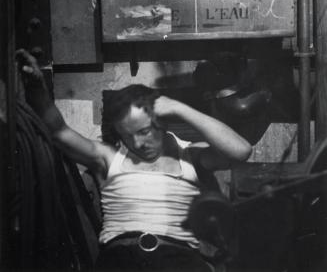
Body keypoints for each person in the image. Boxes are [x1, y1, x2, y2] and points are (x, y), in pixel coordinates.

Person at [17, 49, 252, 272]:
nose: (138, 144)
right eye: (127, 136)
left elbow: (241, 151)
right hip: (121, 259)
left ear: (162, 122)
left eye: (143, 132)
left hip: (178, 260)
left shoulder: (190, 155)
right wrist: (36, 87)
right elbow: (59, 131)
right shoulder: (110, 158)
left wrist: (179, 108)